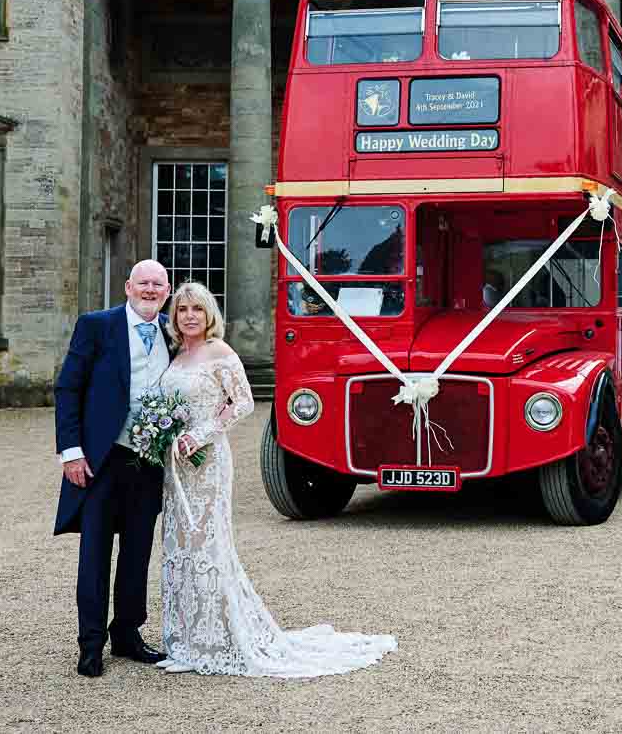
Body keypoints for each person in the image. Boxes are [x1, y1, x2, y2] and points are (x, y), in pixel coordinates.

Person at [154, 281, 398, 677]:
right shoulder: (178, 354)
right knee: (178, 547)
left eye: (197, 309)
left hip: (207, 460)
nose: (190, 316)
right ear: (175, 317)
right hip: (176, 464)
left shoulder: (220, 351)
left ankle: (216, 640)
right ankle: (185, 639)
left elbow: (244, 402)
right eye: (182, 310)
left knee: (207, 547)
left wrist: (199, 435)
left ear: (208, 314)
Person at [52, 259, 174, 677]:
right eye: (143, 282)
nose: (150, 289)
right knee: (95, 554)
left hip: (149, 462)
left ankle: (127, 634)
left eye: (158, 283)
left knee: (137, 552)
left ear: (167, 289)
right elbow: (68, 387)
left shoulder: (173, 332)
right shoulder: (96, 325)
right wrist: (71, 451)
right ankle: (90, 643)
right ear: (127, 286)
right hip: (100, 461)